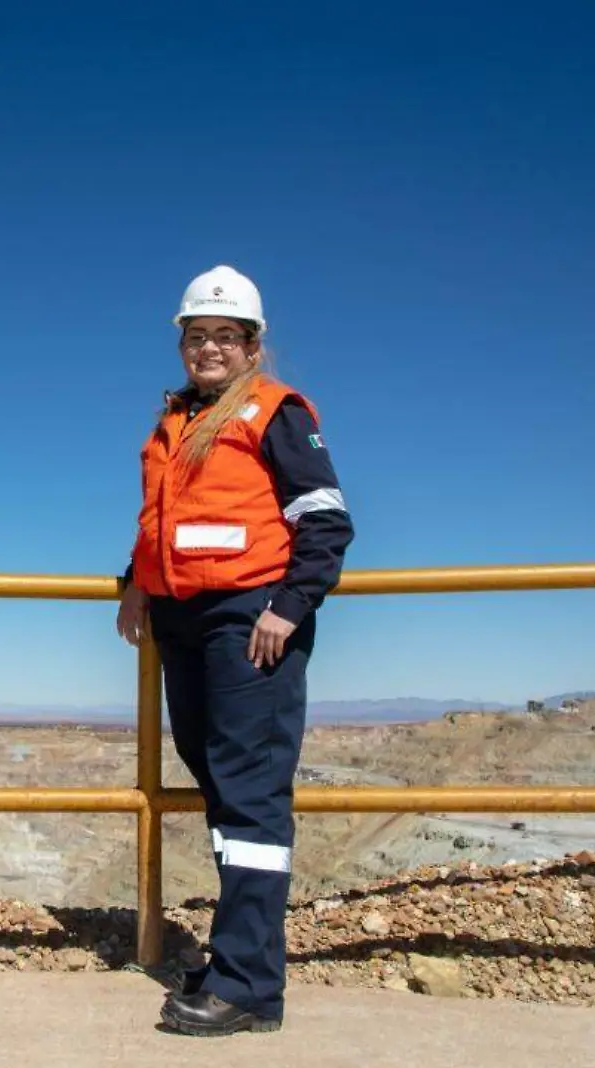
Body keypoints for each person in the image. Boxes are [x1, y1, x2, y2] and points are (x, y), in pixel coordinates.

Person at [116, 265, 354, 1036]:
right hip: (184, 622)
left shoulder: (276, 411)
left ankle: (249, 985)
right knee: (221, 785)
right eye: (197, 336)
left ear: (253, 345)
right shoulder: (177, 421)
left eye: (225, 335)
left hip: (249, 618)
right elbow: (164, 518)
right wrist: (135, 582)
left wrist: (290, 605)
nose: (209, 347)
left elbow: (325, 520)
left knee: (249, 795)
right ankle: (235, 959)